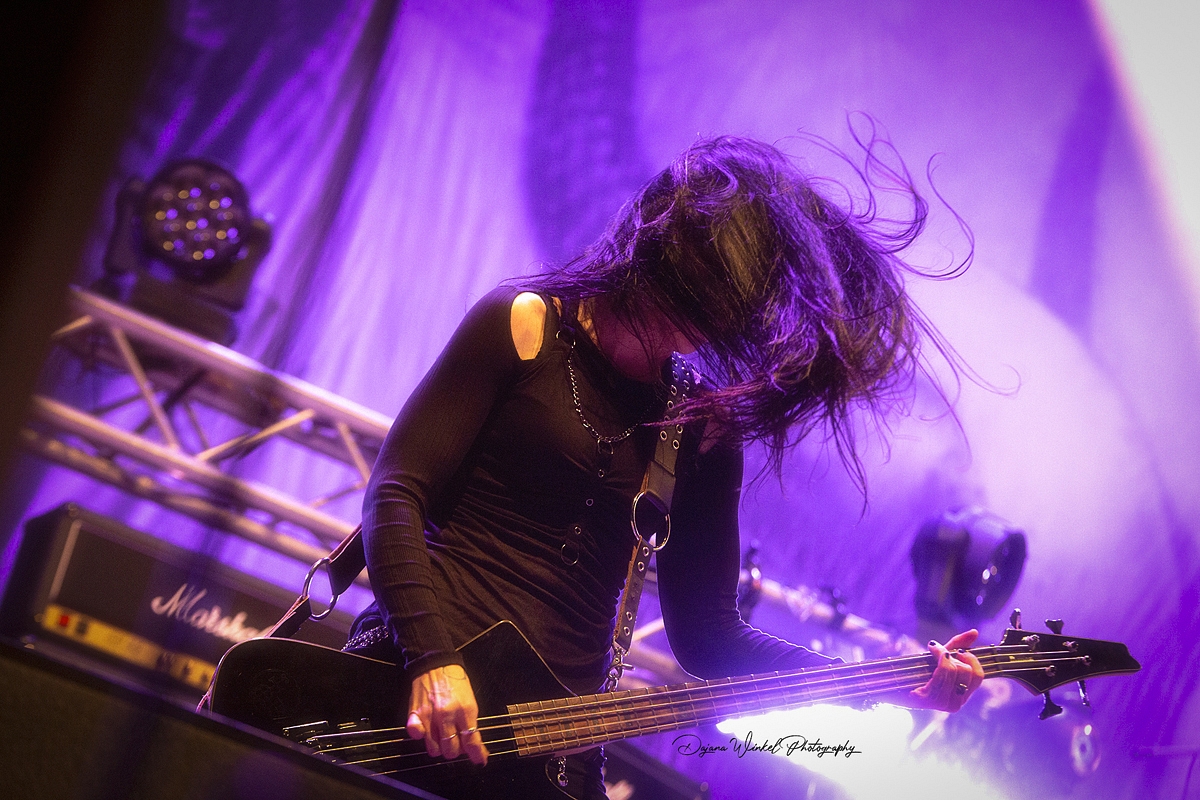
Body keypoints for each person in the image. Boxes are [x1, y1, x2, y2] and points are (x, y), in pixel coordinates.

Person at [349, 136, 984, 798]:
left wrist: (878, 684)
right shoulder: (523, 323)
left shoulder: (701, 427)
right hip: (414, 696)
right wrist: (433, 660)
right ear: (657, 253)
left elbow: (710, 638)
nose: (700, 327)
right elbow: (395, 494)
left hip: (550, 749)